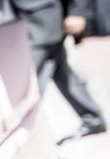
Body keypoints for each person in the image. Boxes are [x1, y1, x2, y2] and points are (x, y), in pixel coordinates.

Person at [11, 0, 106, 140]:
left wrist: (77, 12)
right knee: (60, 73)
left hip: (42, 20)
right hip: (25, 18)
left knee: (30, 81)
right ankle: (92, 117)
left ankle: (28, 128)